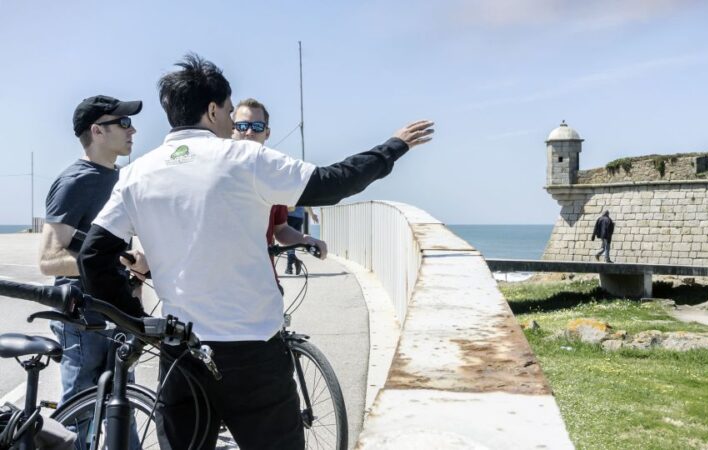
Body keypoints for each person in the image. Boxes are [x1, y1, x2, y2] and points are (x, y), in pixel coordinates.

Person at [77, 53, 434, 450]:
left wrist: (139, 324)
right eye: (230, 112)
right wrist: (393, 147)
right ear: (212, 110)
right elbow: (334, 183)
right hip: (254, 354)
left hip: (179, 352)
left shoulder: (135, 174)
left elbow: (93, 256)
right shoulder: (245, 158)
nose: (232, 122)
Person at [39, 95, 147, 407]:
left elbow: (121, 247)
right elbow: (48, 260)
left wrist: (132, 267)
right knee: (81, 413)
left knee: (122, 409)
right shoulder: (75, 182)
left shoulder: (120, 178)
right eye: (124, 122)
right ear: (97, 131)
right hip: (83, 319)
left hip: (119, 313)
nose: (133, 130)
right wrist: (105, 262)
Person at [231, 97, 327, 281]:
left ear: (267, 133)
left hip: (263, 285)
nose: (249, 132)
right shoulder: (212, 170)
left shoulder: (272, 176)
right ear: (232, 129)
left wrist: (306, 239)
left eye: (257, 127)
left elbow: (280, 229)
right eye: (242, 126)